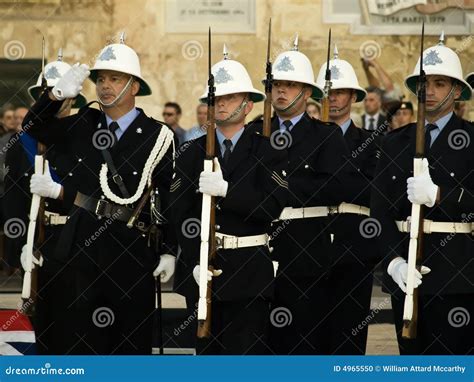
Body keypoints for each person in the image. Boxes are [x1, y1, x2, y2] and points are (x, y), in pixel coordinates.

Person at [23, 38, 177, 354]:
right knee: (81, 345)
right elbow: (33, 127)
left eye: (115, 78)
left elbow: (167, 199)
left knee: (129, 348)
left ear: (135, 86)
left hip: (132, 254)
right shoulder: (82, 124)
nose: (105, 86)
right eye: (101, 79)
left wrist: (169, 250)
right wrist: (57, 95)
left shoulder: (158, 135)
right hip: (82, 254)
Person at [171, 49, 288, 354]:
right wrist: (193, 259)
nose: (220, 103)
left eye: (230, 97)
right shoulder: (190, 153)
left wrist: (227, 190)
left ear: (248, 105)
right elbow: (178, 212)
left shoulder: (268, 150)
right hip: (201, 271)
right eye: (215, 98)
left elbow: (271, 206)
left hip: (249, 272)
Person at [371, 34, 473, 355]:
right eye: (424, 83)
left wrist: (440, 195)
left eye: (440, 83)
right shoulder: (394, 142)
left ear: (457, 91)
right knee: (412, 365)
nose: (429, 91)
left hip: (457, 273)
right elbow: (380, 212)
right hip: (405, 275)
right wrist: (393, 262)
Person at [263, 38, 349, 354]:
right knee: (263, 341)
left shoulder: (325, 136)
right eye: (275, 85)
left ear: (307, 92)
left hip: (306, 248)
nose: (280, 91)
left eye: (289, 85)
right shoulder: (255, 131)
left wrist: (282, 188)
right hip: (259, 249)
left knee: (303, 339)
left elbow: (336, 187)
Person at [9, 52, 87, 353]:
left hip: (79, 240)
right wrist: (21, 247)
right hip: (40, 243)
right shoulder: (21, 145)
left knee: (81, 330)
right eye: (47, 94)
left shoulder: (83, 136)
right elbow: (12, 202)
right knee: (47, 330)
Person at [314, 46, 381, 354]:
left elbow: (369, 190)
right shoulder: (300, 139)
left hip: (354, 250)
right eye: (329, 92)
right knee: (308, 339)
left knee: (349, 339)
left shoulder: (370, 143)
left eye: (341, 92)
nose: (334, 98)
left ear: (354, 97)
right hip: (308, 248)